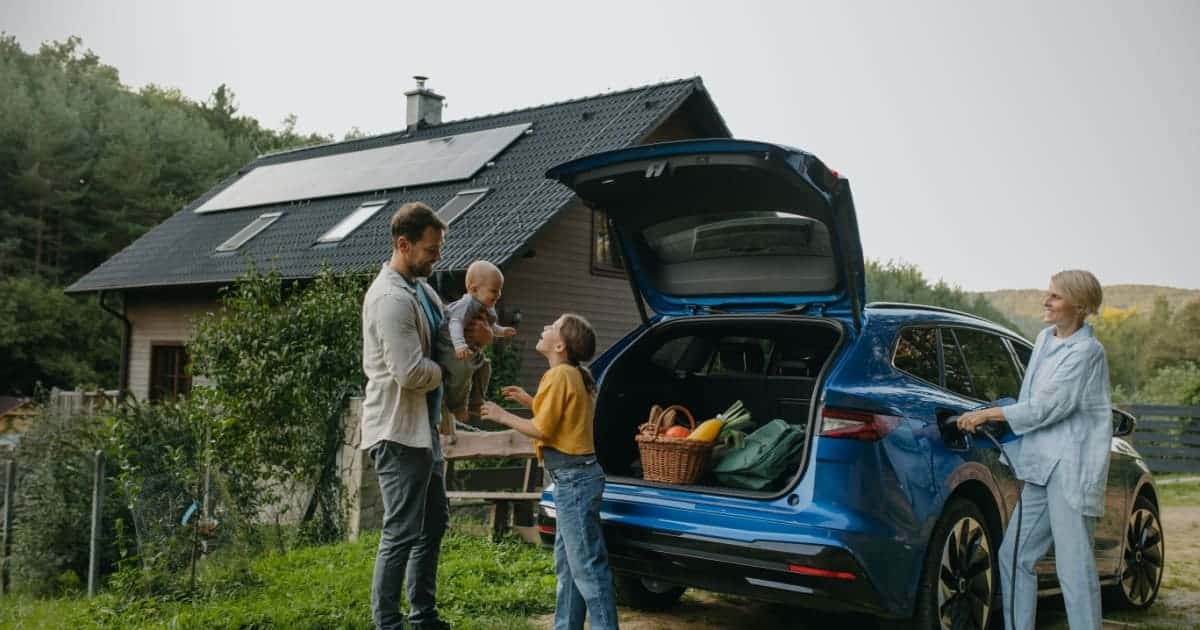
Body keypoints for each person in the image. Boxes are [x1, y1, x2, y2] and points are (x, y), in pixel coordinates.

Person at [956, 269, 1111, 630]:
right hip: (1041, 465)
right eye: (1049, 293)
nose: (1047, 301)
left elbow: (1047, 407)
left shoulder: (1088, 352)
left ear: (1080, 304)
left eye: (1055, 296)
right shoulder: (1044, 339)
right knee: (1014, 557)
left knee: (1073, 567)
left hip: (1071, 470)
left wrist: (987, 414)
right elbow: (1030, 401)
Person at [480, 314, 620, 630]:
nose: (544, 328)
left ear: (560, 345)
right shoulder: (570, 375)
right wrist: (531, 401)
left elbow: (542, 429)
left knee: (586, 567)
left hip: (574, 481)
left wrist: (502, 415)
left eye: (552, 327)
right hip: (573, 479)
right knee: (569, 567)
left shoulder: (560, 376)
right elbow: (562, 419)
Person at [360, 201, 453, 630]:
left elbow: (447, 332)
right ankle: (388, 624)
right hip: (397, 433)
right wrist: (451, 371)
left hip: (425, 431)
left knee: (433, 524)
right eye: (431, 249)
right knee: (400, 532)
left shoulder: (423, 289)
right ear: (403, 244)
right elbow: (411, 371)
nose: (437, 256)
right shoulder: (389, 299)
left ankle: (423, 617)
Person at [435, 260, 517, 437]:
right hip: (449, 346)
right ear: (473, 290)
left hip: (467, 349)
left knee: (485, 366)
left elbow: (491, 327)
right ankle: (456, 405)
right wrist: (459, 345)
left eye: (500, 290)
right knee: (462, 370)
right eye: (494, 291)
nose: (499, 295)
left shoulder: (487, 306)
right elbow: (455, 323)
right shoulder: (467, 304)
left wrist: (503, 332)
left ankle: (476, 401)